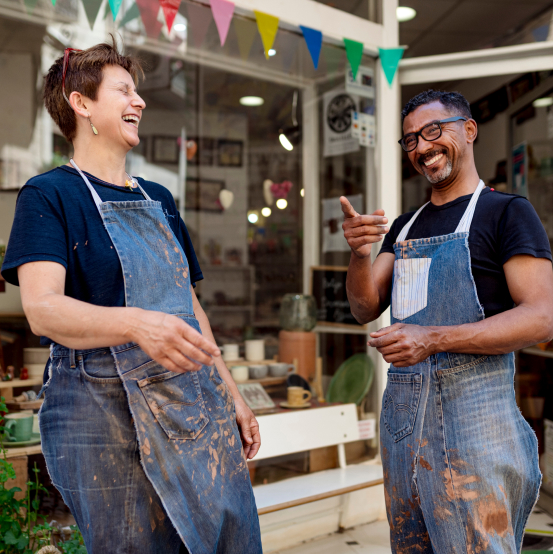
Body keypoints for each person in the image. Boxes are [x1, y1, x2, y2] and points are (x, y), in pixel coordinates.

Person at [1, 39, 262, 554]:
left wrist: (232, 393)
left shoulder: (158, 199)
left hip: (192, 402)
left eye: (137, 91)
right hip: (100, 412)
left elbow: (190, 305)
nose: (139, 101)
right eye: (124, 90)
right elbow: (42, 309)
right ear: (81, 103)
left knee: (228, 536)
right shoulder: (49, 194)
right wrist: (138, 324)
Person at [341, 89, 553, 553]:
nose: (421, 146)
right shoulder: (405, 227)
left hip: (476, 428)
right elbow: (363, 307)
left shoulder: (507, 214)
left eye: (433, 131)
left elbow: (542, 318)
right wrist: (359, 254)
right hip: (403, 426)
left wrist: (432, 338)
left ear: (469, 130)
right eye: (411, 139)